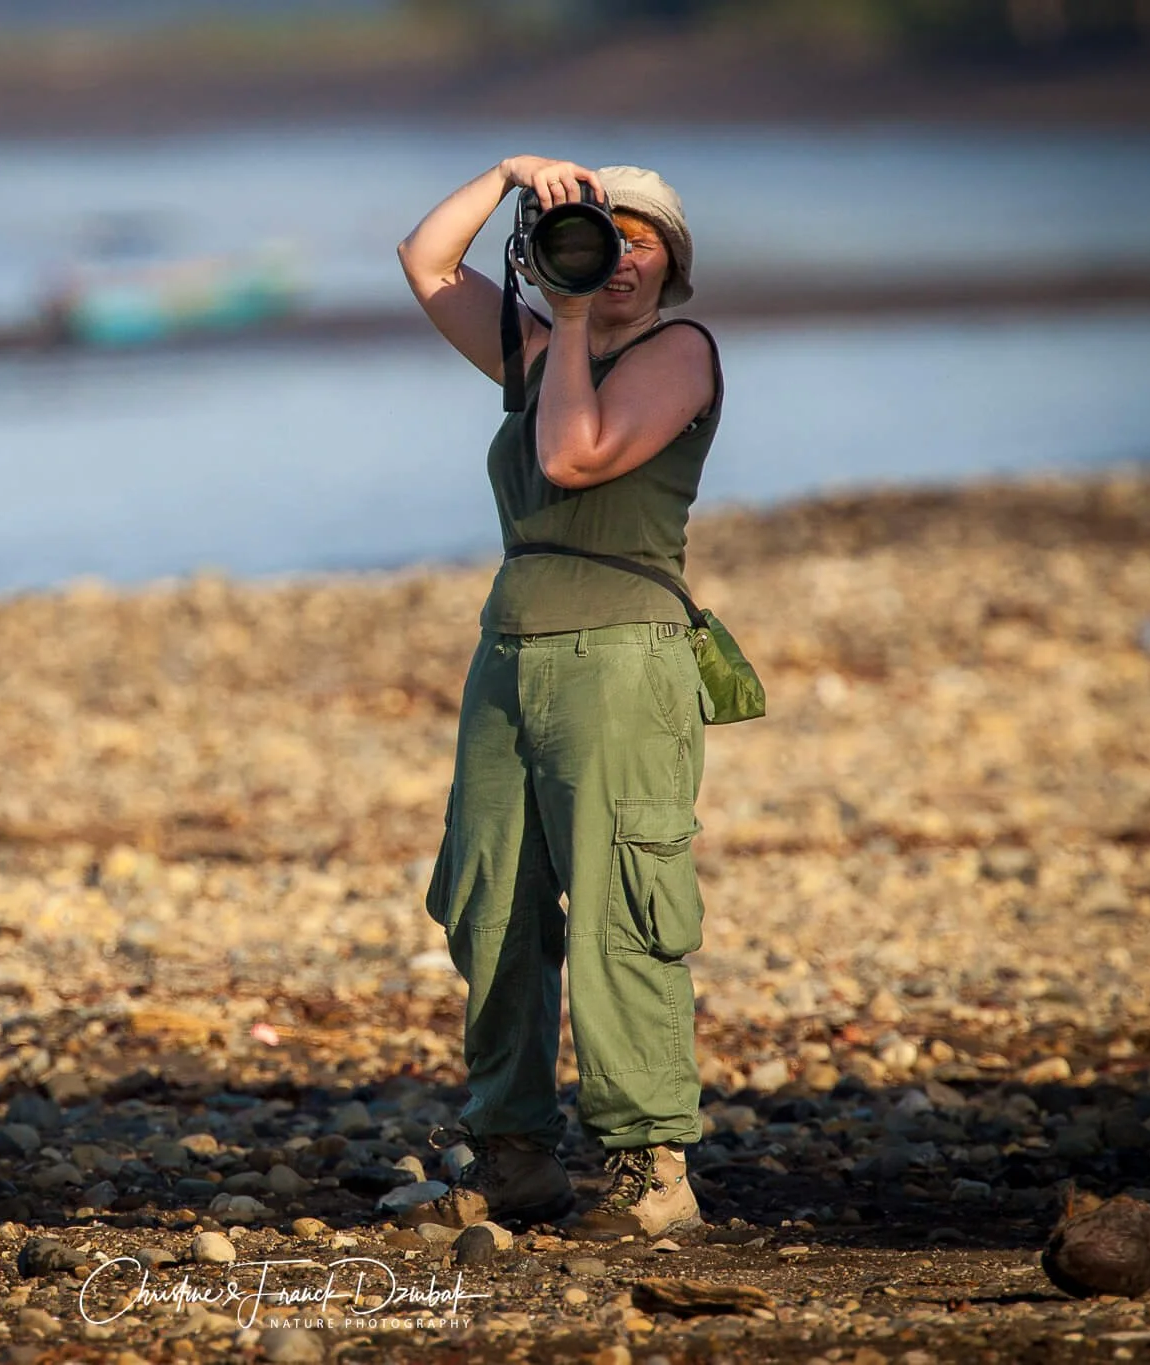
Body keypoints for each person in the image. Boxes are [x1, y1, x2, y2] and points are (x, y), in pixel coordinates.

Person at [395, 156, 722, 1240]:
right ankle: (516, 1153)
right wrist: (506, 174)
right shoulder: (540, 350)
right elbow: (425, 260)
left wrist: (570, 316)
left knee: (623, 906)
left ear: (672, 262)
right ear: (541, 255)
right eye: (595, 236)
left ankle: (650, 1169)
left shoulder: (680, 352)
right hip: (508, 656)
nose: (618, 257)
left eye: (640, 240)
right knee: (492, 902)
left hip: (622, 661)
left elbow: (576, 456)